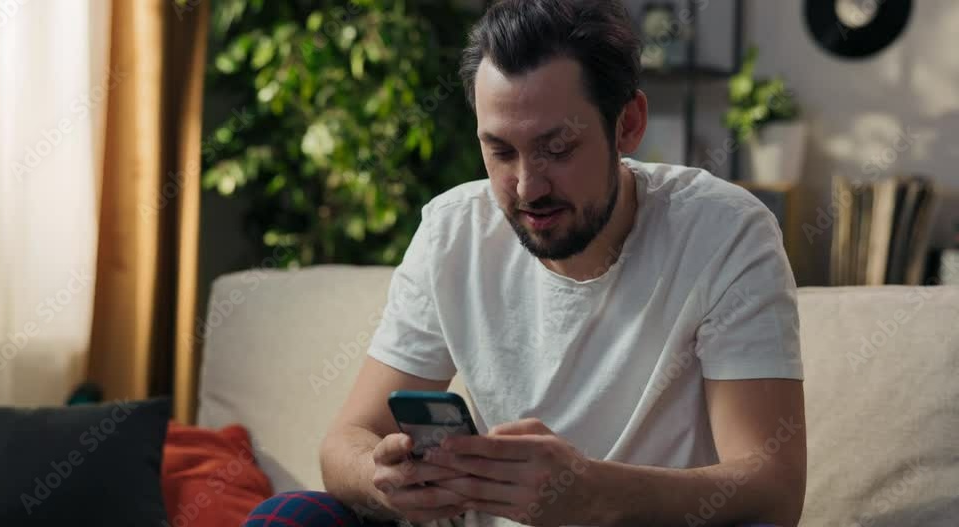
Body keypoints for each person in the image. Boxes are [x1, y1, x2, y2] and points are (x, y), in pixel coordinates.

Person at [244, 0, 805, 525]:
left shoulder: (725, 231)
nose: (527, 187)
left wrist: (591, 493)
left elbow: (773, 489)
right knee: (292, 515)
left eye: (557, 149)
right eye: (501, 152)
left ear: (628, 124)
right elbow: (347, 440)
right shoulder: (452, 231)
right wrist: (383, 475)